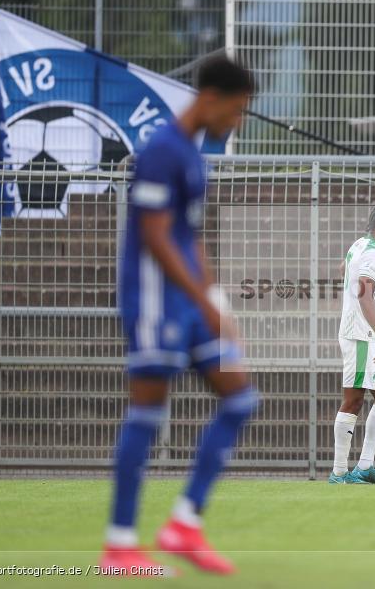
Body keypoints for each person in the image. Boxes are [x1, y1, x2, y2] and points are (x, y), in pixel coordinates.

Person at [102, 56, 256, 575]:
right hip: (154, 301)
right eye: (236, 111)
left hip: (189, 302)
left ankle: (184, 524)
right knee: (147, 414)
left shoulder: (192, 154)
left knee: (241, 397)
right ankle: (120, 544)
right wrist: (196, 297)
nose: (236, 122)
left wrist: (213, 299)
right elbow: (156, 237)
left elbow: (191, 237)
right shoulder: (162, 151)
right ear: (210, 98)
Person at [330, 204, 375, 484]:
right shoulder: (372, 252)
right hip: (362, 335)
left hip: (367, 333)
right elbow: (364, 296)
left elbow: (344, 267)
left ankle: (364, 466)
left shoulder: (363, 244)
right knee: (354, 399)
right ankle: (338, 472)